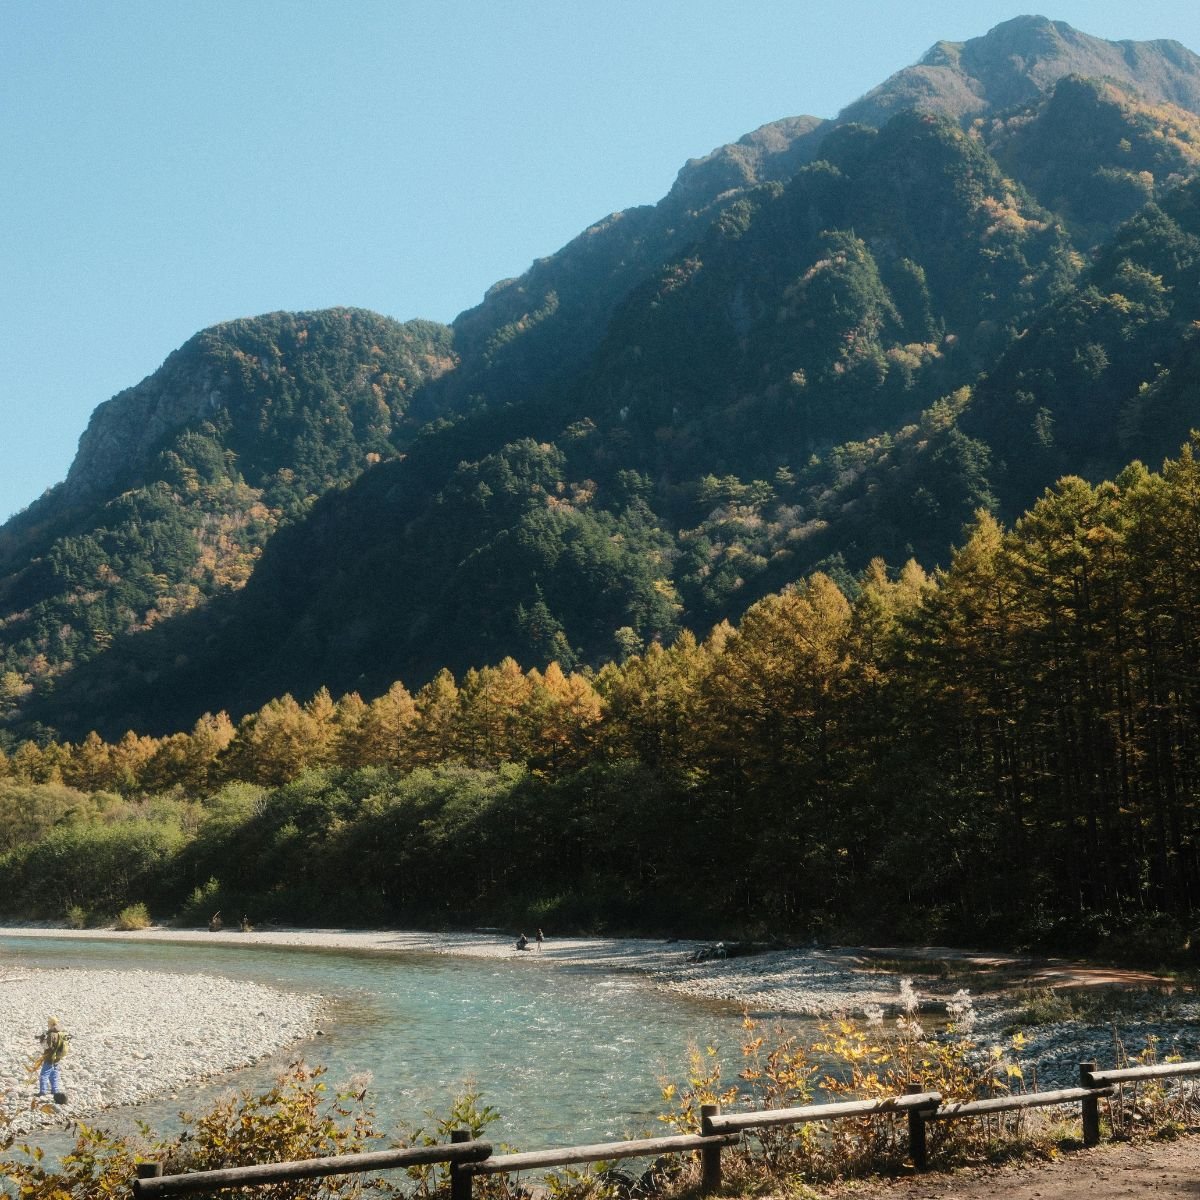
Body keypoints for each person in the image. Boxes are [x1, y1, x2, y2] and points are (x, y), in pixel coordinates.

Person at [36, 1016, 68, 1101]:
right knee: (54, 1074)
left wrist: (42, 1040)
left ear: (50, 1024)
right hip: (57, 1058)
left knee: (44, 1075)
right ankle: (55, 1090)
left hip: (50, 1058)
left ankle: (42, 1092)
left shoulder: (51, 1034)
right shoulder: (61, 1032)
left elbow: (47, 1047)